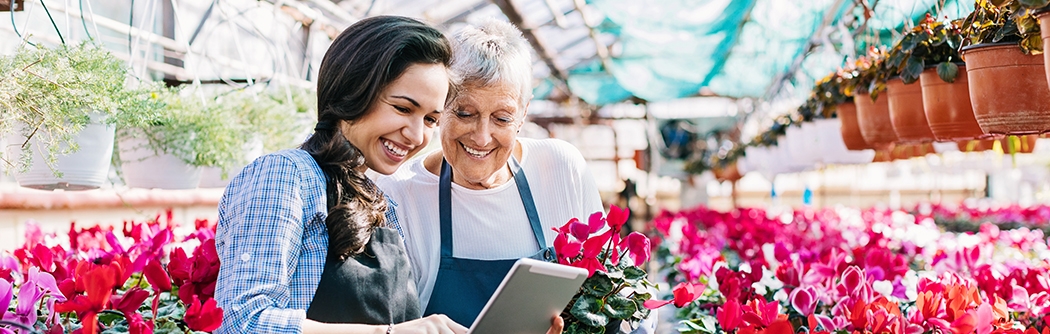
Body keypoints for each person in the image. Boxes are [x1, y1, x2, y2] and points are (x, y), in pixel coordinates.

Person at [376, 19, 639, 331]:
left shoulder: (561, 168)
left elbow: (606, 299)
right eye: (464, 113)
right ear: (440, 104)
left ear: (523, 113)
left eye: (501, 118)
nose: (482, 137)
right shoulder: (398, 195)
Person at [214, 16, 467, 334]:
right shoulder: (287, 175)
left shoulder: (381, 201)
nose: (416, 135)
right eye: (403, 108)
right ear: (353, 91)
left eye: (431, 119)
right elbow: (241, 321)